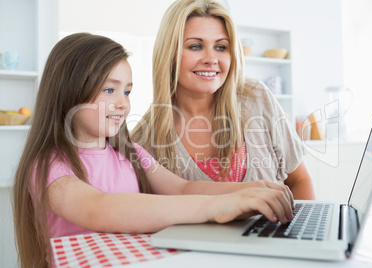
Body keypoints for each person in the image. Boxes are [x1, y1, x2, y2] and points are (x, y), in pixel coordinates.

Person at [12, 33, 294, 268]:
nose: (123, 104)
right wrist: (215, 208)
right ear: (68, 91)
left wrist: (252, 189)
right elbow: (98, 209)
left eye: (127, 92)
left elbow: (183, 189)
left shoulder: (129, 151)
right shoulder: (49, 166)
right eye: (109, 90)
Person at [131, 0, 315, 200]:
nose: (211, 59)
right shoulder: (144, 141)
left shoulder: (256, 98)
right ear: (169, 54)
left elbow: (299, 181)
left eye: (220, 47)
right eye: (195, 46)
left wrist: (300, 231)